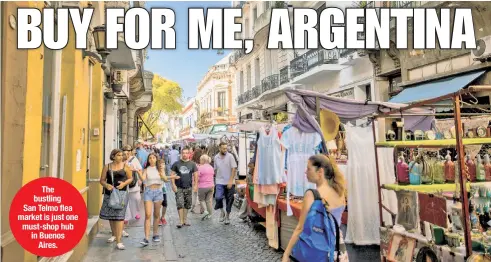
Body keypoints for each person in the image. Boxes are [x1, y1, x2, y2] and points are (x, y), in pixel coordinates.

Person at [282, 154, 349, 262]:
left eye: (308, 169)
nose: (305, 172)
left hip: (318, 248)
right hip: (337, 247)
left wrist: (286, 254)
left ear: (320, 172)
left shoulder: (312, 195)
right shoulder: (340, 192)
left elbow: (300, 228)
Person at [139, 153, 179, 246]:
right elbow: (142, 179)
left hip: (158, 192)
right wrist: (138, 172)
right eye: (150, 158)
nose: (152, 159)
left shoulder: (160, 169)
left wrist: (167, 175)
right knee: (148, 215)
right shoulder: (146, 169)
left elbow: (165, 179)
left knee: (156, 215)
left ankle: (155, 234)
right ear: (148, 160)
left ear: (156, 159)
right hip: (148, 192)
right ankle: (146, 237)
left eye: (153, 158)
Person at [99, 149, 133, 250]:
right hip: (109, 194)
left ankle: (119, 241)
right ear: (113, 156)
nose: (121, 157)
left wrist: (124, 184)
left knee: (119, 216)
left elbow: (130, 178)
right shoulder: (107, 167)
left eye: (122, 155)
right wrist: (106, 185)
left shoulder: (125, 166)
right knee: (111, 216)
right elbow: (101, 180)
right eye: (118, 155)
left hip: (122, 194)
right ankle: (114, 235)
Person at [171, 147, 199, 228]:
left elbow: (196, 175)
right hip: (179, 187)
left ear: (189, 154)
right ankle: (180, 221)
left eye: (186, 153)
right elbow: (172, 175)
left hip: (188, 187)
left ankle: (185, 220)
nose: (185, 154)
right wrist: (173, 185)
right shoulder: (176, 164)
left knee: (187, 204)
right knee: (180, 203)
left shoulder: (192, 164)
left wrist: (196, 185)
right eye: (183, 153)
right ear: (181, 153)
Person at [214, 142, 238, 225]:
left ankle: (227, 216)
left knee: (230, 199)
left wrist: (230, 181)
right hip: (219, 181)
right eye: (223, 148)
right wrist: (215, 181)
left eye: (226, 148)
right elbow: (215, 169)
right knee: (218, 197)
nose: (225, 150)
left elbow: (234, 169)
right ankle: (222, 211)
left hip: (229, 181)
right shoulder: (216, 157)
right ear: (219, 148)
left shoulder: (230, 156)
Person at [122, 145, 143, 237]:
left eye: (128, 151)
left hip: (134, 182)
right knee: (126, 201)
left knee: (137, 199)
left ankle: (136, 212)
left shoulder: (134, 159)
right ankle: (127, 217)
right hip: (125, 183)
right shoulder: (121, 159)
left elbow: (140, 169)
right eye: (125, 151)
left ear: (131, 151)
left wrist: (140, 179)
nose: (127, 153)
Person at [197, 154, 214, 220]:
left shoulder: (200, 168)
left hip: (202, 186)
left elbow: (197, 177)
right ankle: (210, 214)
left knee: (201, 200)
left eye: (200, 160)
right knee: (208, 201)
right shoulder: (211, 167)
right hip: (211, 186)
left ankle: (205, 211)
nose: (200, 161)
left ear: (203, 160)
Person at [191, 148, 203, 214]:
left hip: (194, 180)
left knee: (194, 194)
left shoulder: (192, 163)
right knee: (200, 195)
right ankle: (200, 209)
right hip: (201, 181)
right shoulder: (202, 163)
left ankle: (193, 207)